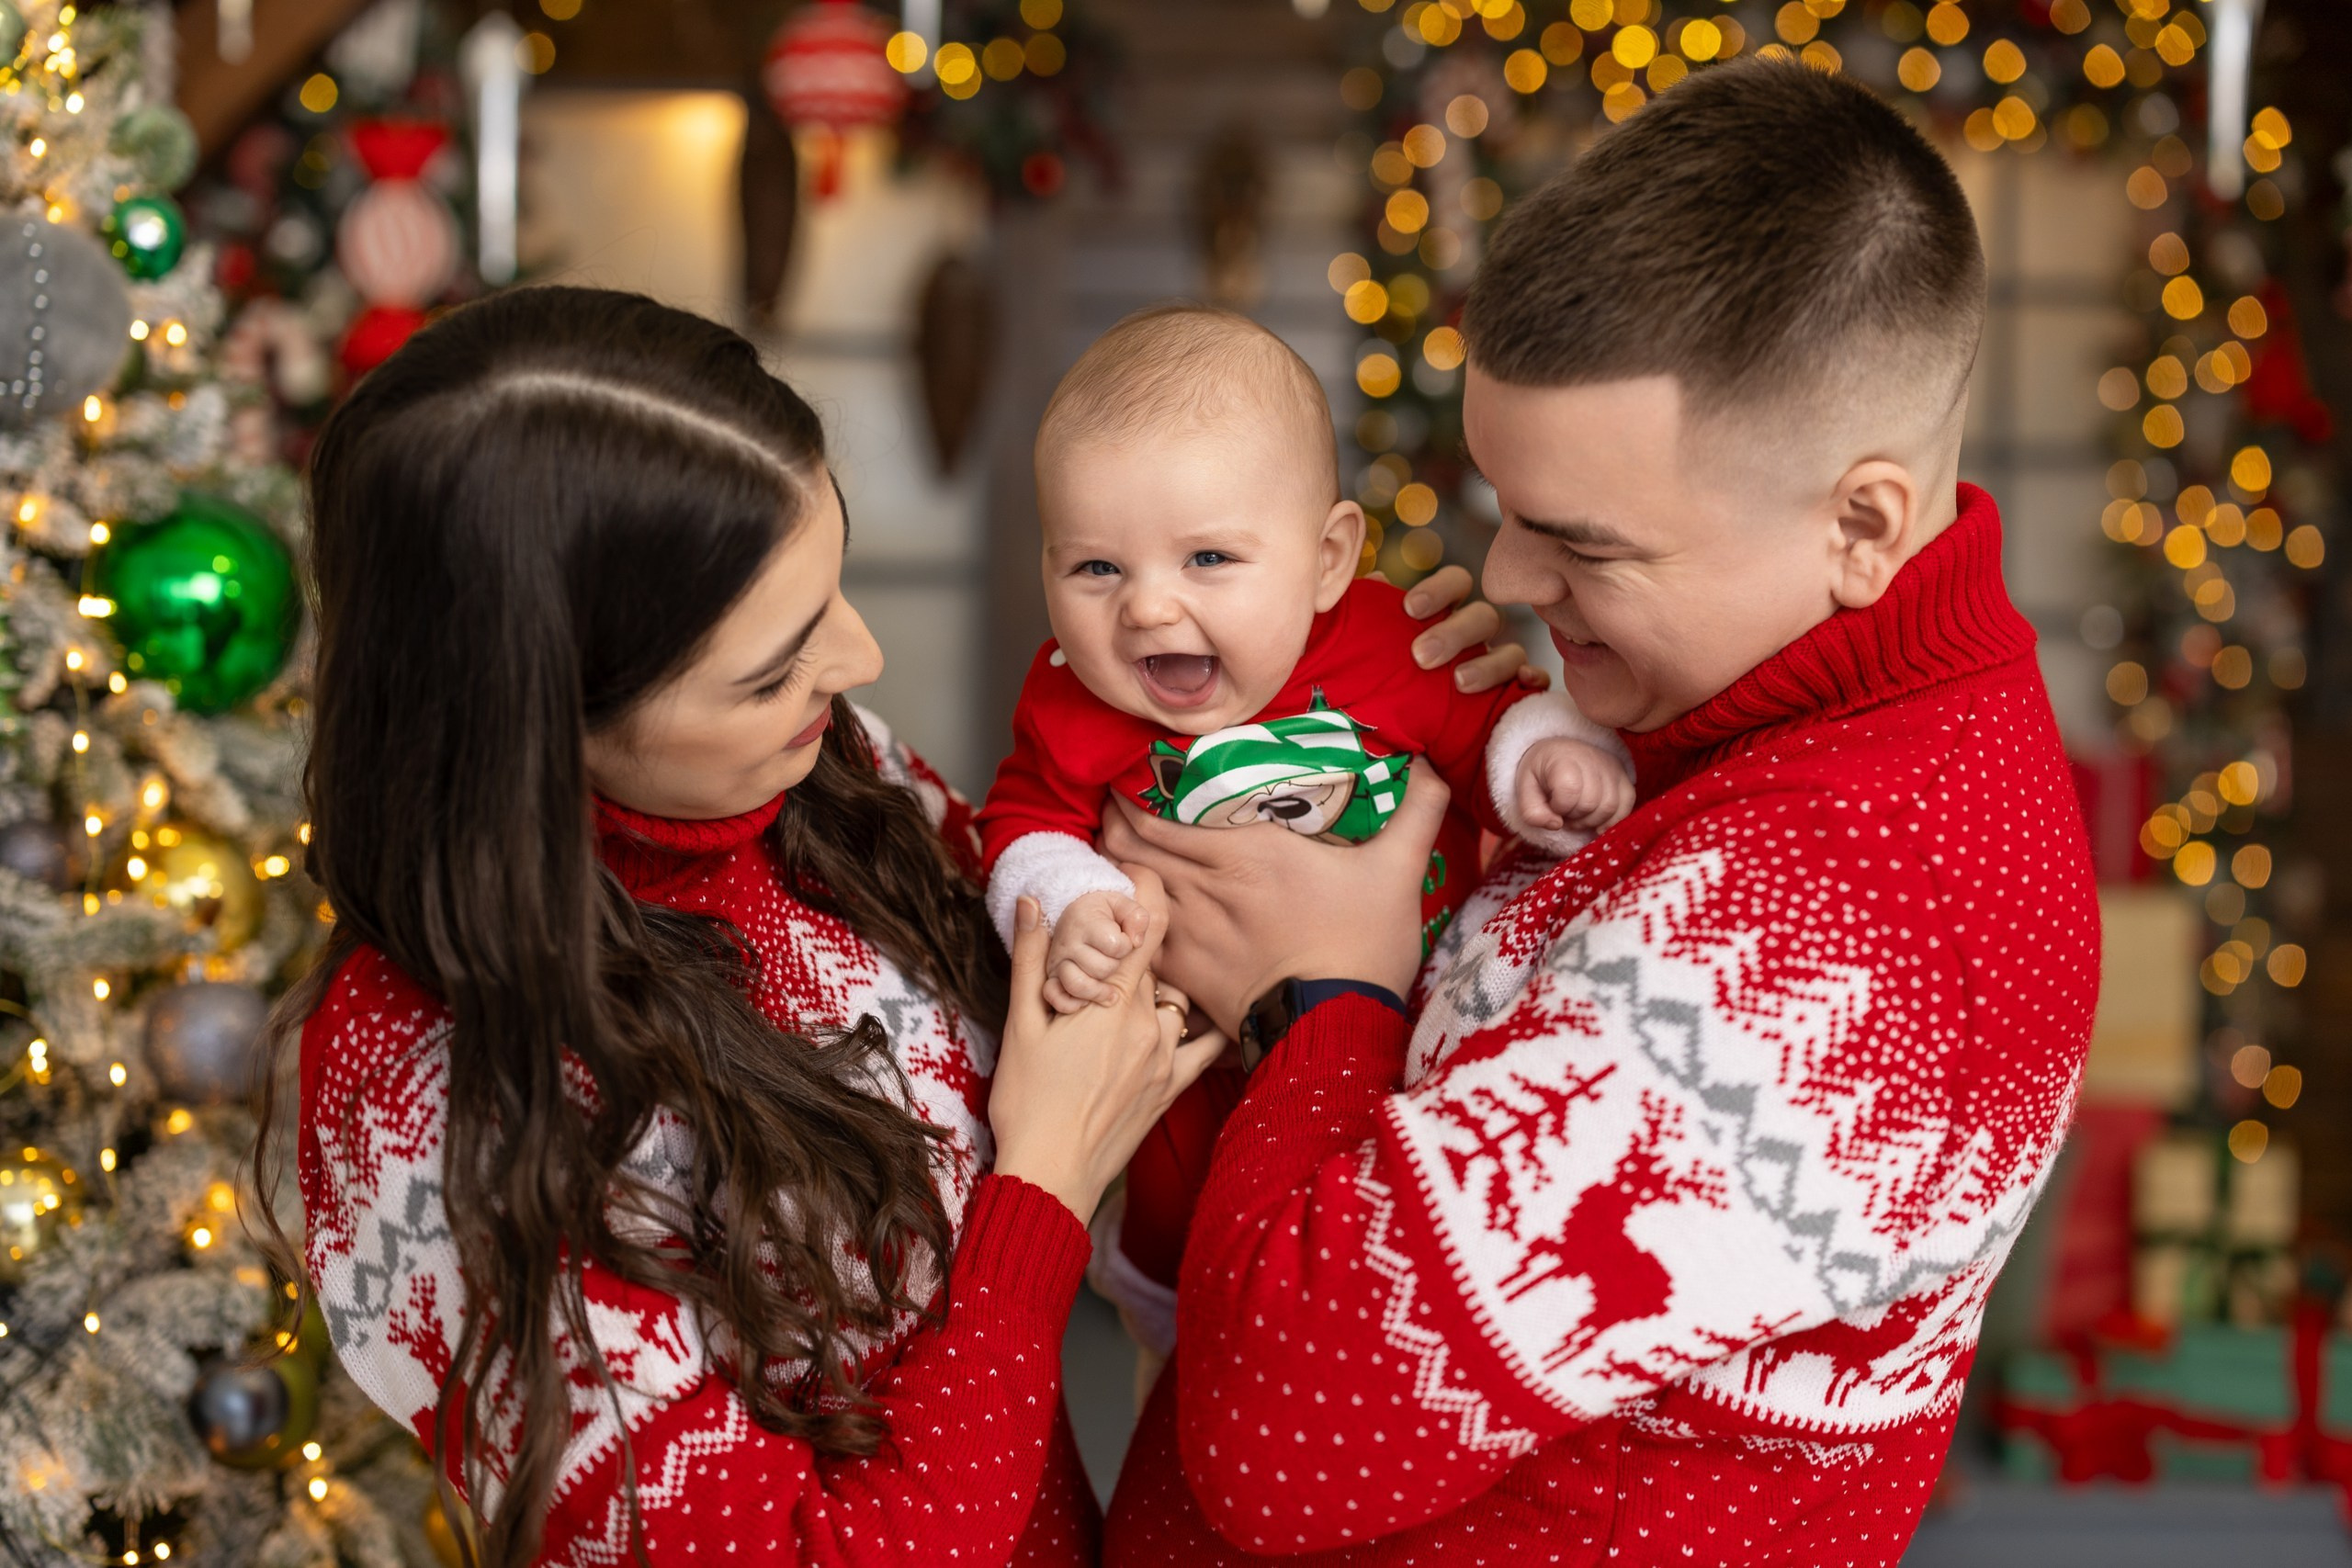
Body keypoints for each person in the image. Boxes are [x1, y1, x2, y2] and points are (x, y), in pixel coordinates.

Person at [261, 286, 1523, 1566]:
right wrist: (1044, 1184)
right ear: (537, 721)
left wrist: (1361, 684)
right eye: (773, 665)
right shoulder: (421, 1094)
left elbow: (1115, 909)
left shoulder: (830, 777)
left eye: (834, 587)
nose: (859, 659)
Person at [1101, 59, 2099, 1567]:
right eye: (1505, 506)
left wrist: (1320, 990)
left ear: (1861, 522)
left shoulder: (1851, 927)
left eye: (1586, 543)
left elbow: (1280, 1438)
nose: (1508, 576)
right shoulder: (1730, 718)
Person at [973, 302, 1628, 1363]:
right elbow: (1021, 821)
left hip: (1403, 1040)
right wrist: (1068, 893)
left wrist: (1543, 763)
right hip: (1200, 1061)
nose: (1146, 609)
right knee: (1179, 1217)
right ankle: (1176, 1326)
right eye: (1094, 568)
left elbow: (1489, 728)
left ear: (1327, 559)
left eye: (1208, 559)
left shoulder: (1397, 642)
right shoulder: (1069, 699)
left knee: (1371, 1259)